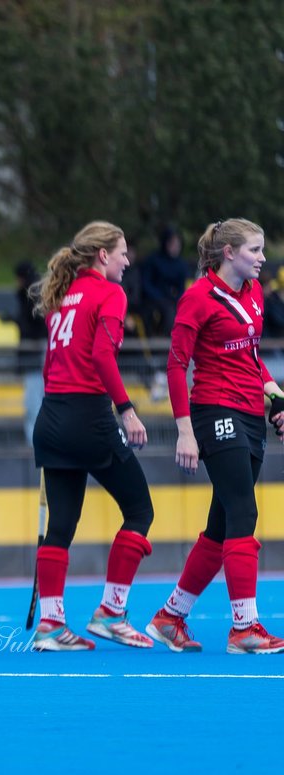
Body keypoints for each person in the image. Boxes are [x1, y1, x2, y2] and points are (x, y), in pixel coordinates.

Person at [145, 218, 284, 654]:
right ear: (229, 253)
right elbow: (175, 365)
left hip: (249, 411)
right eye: (254, 250)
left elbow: (251, 356)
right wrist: (185, 432)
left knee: (221, 527)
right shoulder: (197, 299)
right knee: (244, 511)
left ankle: (170, 616)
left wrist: (277, 396)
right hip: (213, 410)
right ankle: (244, 627)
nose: (262, 259)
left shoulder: (256, 294)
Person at [29, 221, 155, 652]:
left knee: (61, 526)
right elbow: (102, 355)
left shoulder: (62, 295)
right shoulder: (110, 293)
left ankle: (50, 625)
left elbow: (50, 365)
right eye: (122, 252)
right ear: (103, 255)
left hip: (51, 417)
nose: (127, 259)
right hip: (89, 418)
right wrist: (127, 411)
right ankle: (111, 612)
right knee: (139, 510)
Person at [138, 226, 193, 338]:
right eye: (172, 244)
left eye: (177, 245)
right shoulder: (153, 260)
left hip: (172, 300)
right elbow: (145, 283)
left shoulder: (182, 264)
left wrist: (178, 299)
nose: (175, 248)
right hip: (152, 298)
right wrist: (159, 296)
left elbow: (182, 286)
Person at [11, 260, 45, 372]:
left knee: (34, 378)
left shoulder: (30, 293)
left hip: (34, 343)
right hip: (35, 343)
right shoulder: (38, 289)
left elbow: (36, 317)